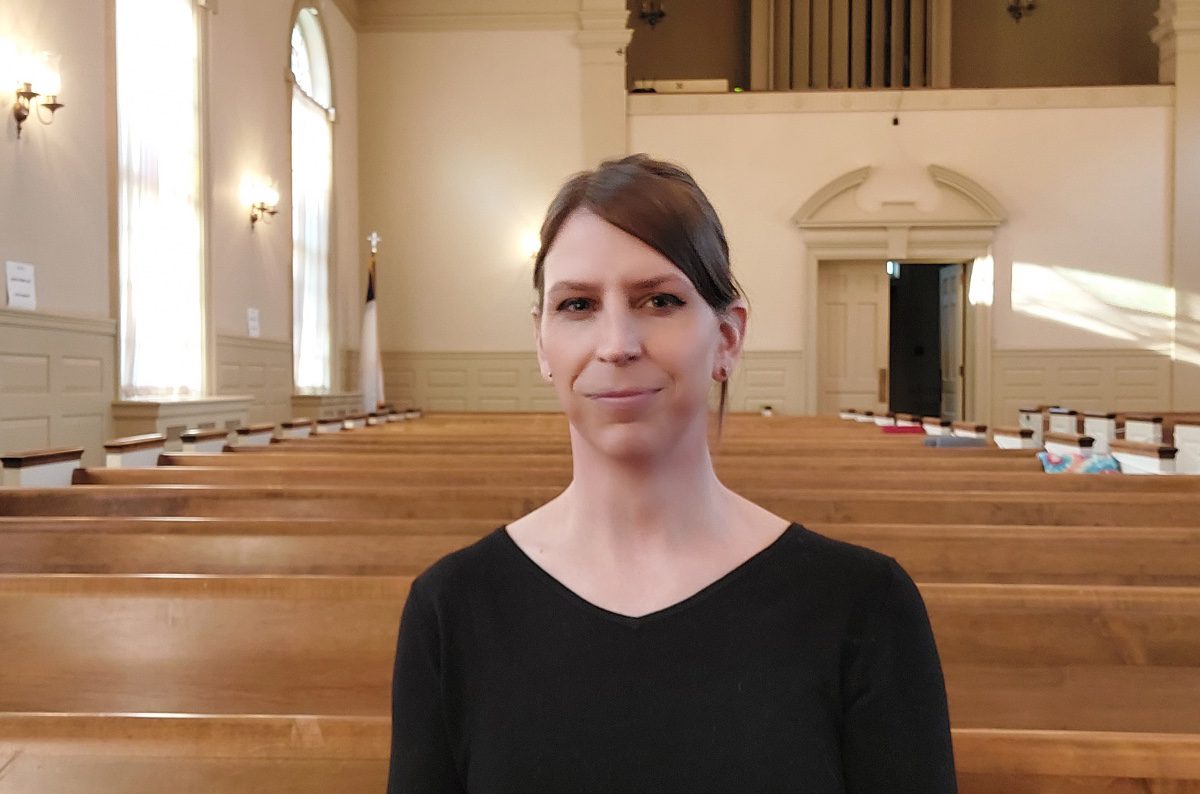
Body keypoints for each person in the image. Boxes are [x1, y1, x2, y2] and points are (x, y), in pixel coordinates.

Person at [387, 154, 957, 793]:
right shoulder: (453, 607)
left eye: (659, 300)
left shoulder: (861, 604)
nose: (617, 344)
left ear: (728, 338)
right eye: (577, 304)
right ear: (542, 346)